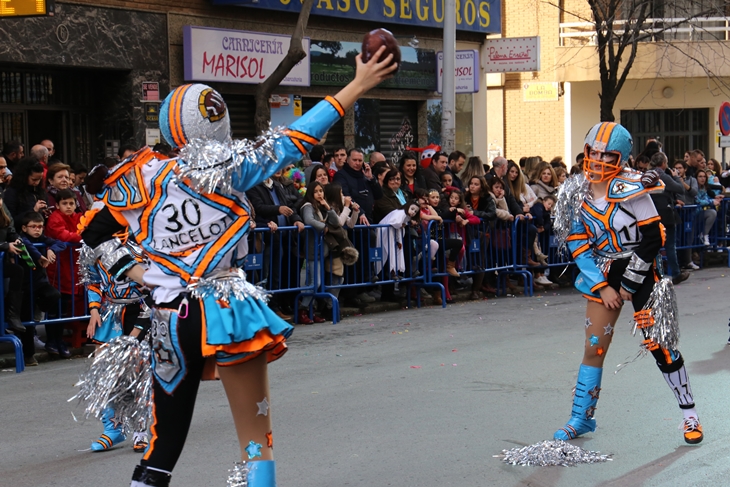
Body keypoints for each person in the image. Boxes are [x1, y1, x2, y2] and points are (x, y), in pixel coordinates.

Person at [80, 47, 397, 487]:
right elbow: (297, 139)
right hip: (227, 308)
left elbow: (92, 235)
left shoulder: (141, 176)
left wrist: (146, 276)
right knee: (256, 439)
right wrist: (359, 83)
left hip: (170, 317)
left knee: (163, 441)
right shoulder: (229, 168)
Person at [553, 121, 703, 445]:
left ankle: (689, 413)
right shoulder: (573, 193)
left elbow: (653, 238)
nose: (598, 160)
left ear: (620, 158)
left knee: (660, 345)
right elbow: (578, 245)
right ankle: (581, 418)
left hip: (642, 268)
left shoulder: (633, 188)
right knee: (594, 347)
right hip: (603, 271)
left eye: (607, 155)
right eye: (593, 152)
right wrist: (603, 286)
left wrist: (629, 285)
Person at [81, 228, 151, 453]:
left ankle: (141, 429)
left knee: (137, 374)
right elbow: (92, 280)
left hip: (140, 311)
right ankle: (113, 428)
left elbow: (158, 288)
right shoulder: (91, 246)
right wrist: (94, 309)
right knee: (103, 374)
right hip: (110, 314)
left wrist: (141, 325)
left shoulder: (143, 244)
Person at [17, 212, 63, 365]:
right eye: (33, 227)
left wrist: (51, 249)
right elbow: (26, 245)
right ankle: (28, 355)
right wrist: (38, 256)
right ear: (24, 228)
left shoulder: (43, 239)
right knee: (26, 322)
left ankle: (39, 307)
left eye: (40, 227)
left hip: (40, 283)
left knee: (55, 295)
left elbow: (60, 243)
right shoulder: (20, 238)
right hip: (24, 285)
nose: (37, 230)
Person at [45, 188, 84, 354]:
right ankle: (52, 340)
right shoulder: (55, 218)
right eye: (64, 203)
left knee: (66, 304)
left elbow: (82, 231)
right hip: (58, 268)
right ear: (58, 205)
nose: (69, 206)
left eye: (71, 203)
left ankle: (59, 340)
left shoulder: (77, 217)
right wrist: (81, 236)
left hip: (72, 267)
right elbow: (64, 235)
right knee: (57, 306)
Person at [647, 153, 688, 285]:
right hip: (665, 213)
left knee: (652, 245)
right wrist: (676, 177)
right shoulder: (663, 176)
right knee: (670, 245)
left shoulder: (646, 175)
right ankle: (676, 273)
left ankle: (653, 274)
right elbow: (680, 188)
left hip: (650, 214)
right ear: (663, 163)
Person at [3, 157, 47, 229]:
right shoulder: (12, 193)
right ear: (24, 176)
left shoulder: (40, 192)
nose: (37, 182)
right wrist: (33, 211)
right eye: (34, 179)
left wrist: (44, 213)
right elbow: (10, 220)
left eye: (40, 179)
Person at [694, 169, 724, 246]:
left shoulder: (704, 188)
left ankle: (704, 234)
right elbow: (698, 201)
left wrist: (715, 199)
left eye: (704, 176)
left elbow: (705, 199)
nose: (702, 178)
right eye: (700, 176)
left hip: (699, 212)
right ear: (696, 178)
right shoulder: (694, 188)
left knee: (712, 213)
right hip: (691, 214)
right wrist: (712, 202)